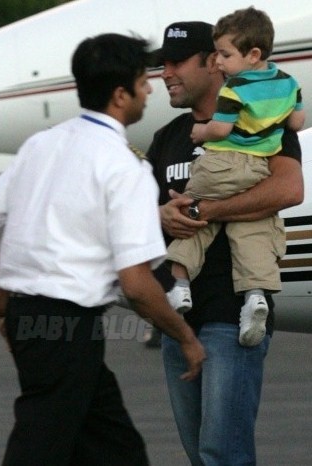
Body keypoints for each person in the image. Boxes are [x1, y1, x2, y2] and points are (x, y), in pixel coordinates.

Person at [0, 33, 205, 466]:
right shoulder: (123, 167)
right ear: (119, 94)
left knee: (116, 449)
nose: (149, 88)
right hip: (68, 328)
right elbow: (136, 284)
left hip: (33, 319)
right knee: (40, 446)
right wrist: (185, 336)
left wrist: (5, 310)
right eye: (141, 81)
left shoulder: (42, 144)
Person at [149, 21, 303, 465]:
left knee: (223, 455)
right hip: (176, 325)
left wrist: (206, 210)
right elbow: (140, 213)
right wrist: (158, 214)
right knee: (201, 455)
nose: (166, 73)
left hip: (231, 319)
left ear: (214, 63)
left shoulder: (263, 128)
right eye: (163, 64)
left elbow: (289, 190)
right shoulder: (168, 138)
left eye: (176, 62)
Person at [164, 7, 305, 347]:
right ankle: (255, 294)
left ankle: (180, 283)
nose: (221, 64)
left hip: (222, 162)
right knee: (254, 229)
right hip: (258, 166)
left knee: (192, 211)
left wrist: (201, 133)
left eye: (224, 55)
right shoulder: (289, 84)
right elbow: (297, 122)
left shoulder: (234, 89)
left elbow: (221, 128)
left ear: (252, 54)